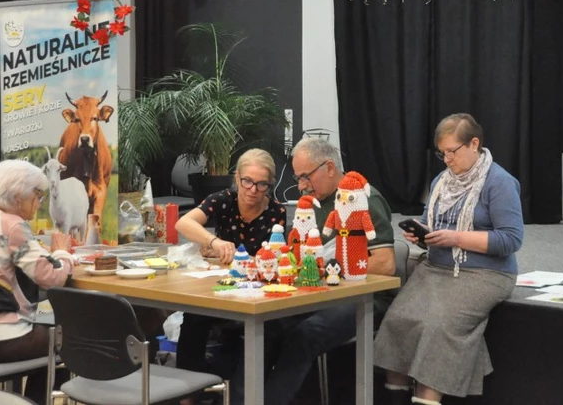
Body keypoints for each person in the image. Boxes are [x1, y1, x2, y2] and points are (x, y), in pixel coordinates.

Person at [374, 114, 524, 405]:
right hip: (436, 267)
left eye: (452, 151)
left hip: (485, 273)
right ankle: (396, 396)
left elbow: (510, 240)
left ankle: (427, 397)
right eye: (441, 153)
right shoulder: (441, 181)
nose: (447, 159)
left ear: (474, 144)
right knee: (399, 321)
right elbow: (432, 222)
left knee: (438, 329)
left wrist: (456, 238)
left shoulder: (500, 182)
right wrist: (422, 235)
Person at [261, 137, 396, 405]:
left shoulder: (361, 198)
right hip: (315, 293)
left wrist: (327, 272)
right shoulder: (310, 203)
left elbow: (385, 264)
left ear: (330, 168)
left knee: (305, 335)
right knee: (266, 328)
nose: (301, 185)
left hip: (363, 298)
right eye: (298, 178)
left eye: (305, 176)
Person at [0, 159, 74, 403]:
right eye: (37, 195)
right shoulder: (13, 224)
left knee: (48, 336)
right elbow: (51, 279)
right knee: (70, 339)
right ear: (18, 197)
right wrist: (64, 254)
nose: (40, 202)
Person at [174, 148, 286, 401]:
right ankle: (186, 395)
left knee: (268, 328)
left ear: (270, 185)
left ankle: (240, 395)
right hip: (221, 288)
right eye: (247, 181)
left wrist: (246, 259)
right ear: (237, 178)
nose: (253, 190)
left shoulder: (276, 212)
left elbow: (277, 258)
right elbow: (183, 223)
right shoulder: (223, 200)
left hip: (257, 292)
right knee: (194, 316)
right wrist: (214, 242)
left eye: (261, 184)